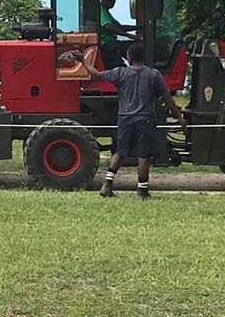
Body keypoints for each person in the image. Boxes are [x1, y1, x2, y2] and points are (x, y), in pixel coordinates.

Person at [72, 42, 186, 199]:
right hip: (145, 119)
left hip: (125, 119)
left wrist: (83, 61)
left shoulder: (120, 73)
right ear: (143, 58)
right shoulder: (154, 75)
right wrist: (179, 117)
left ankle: (107, 185)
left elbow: (97, 75)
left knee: (120, 152)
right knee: (144, 155)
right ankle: (142, 191)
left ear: (129, 58)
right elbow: (167, 97)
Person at [99, 0, 139, 68]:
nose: (112, 2)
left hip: (110, 43)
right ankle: (137, 69)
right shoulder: (101, 11)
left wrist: (138, 27)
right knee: (135, 48)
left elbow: (119, 27)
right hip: (106, 44)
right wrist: (128, 35)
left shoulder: (106, 13)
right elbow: (109, 26)